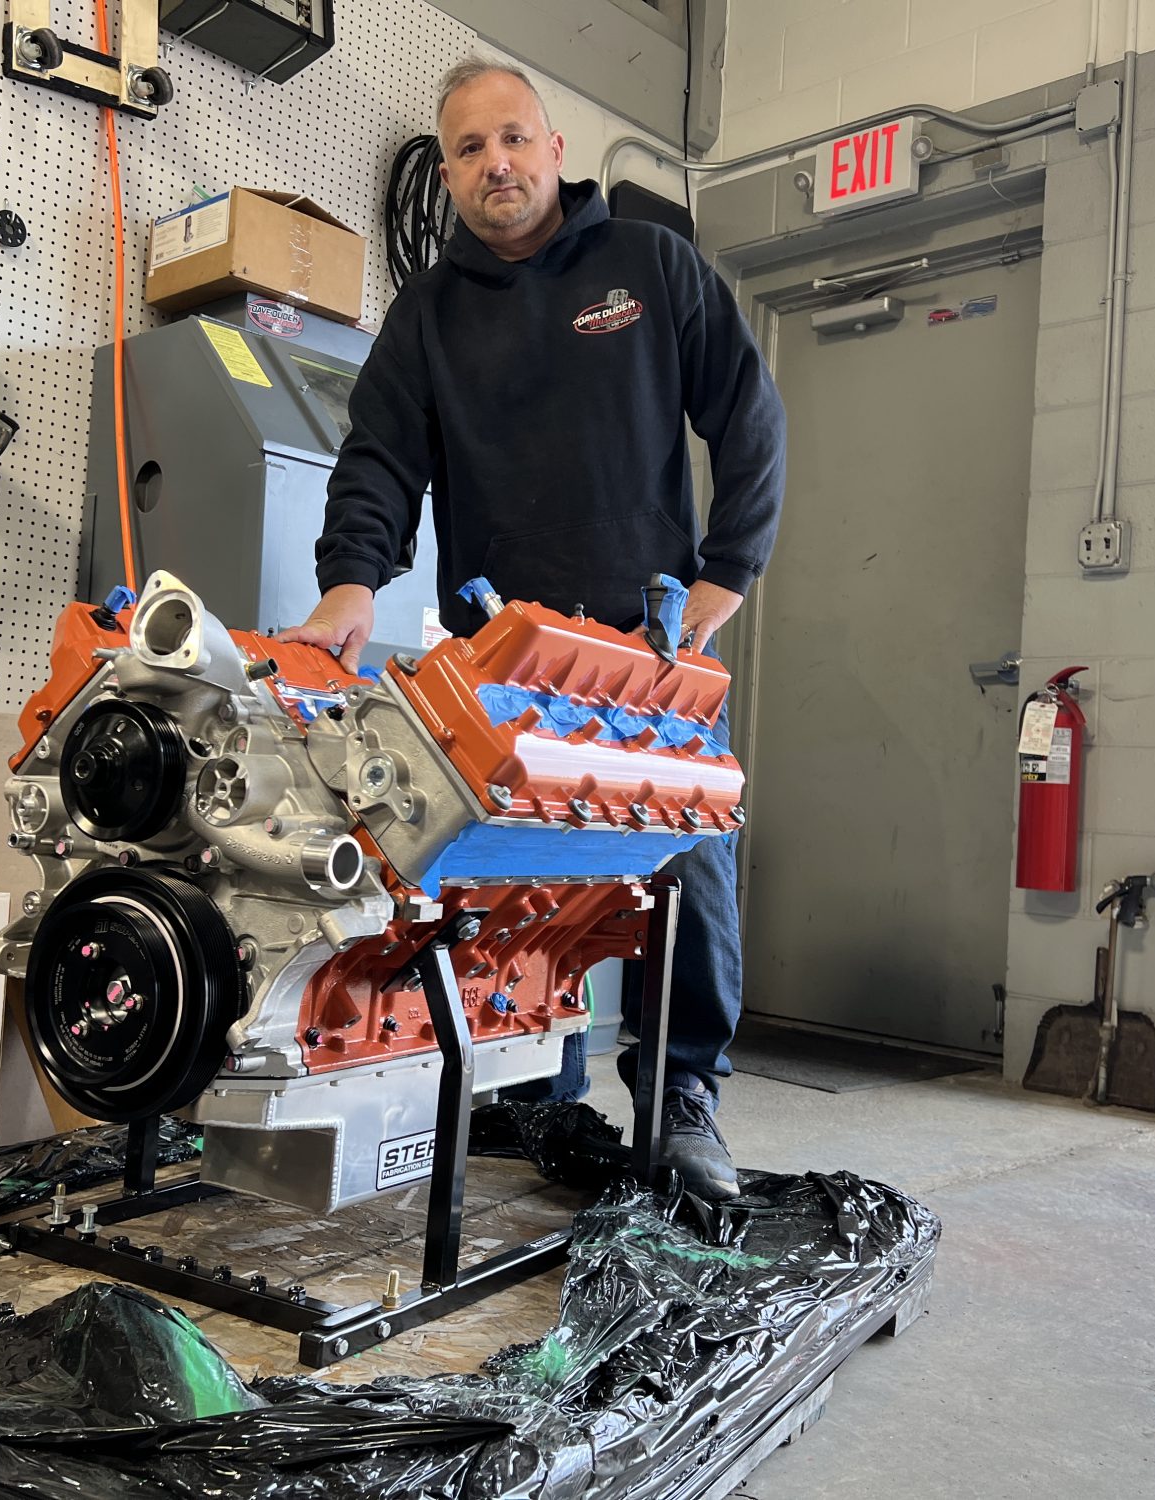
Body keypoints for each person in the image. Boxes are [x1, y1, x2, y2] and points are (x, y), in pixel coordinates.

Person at [279, 58, 786, 1199]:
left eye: (512, 139)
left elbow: (749, 416)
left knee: (685, 868)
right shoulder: (426, 317)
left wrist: (727, 573)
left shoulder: (649, 268)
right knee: (504, 880)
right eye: (467, 148)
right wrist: (349, 581)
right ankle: (525, 1097)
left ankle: (680, 1096)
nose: (493, 164)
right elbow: (376, 461)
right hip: (500, 654)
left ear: (555, 150)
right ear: (451, 172)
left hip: (649, 654)